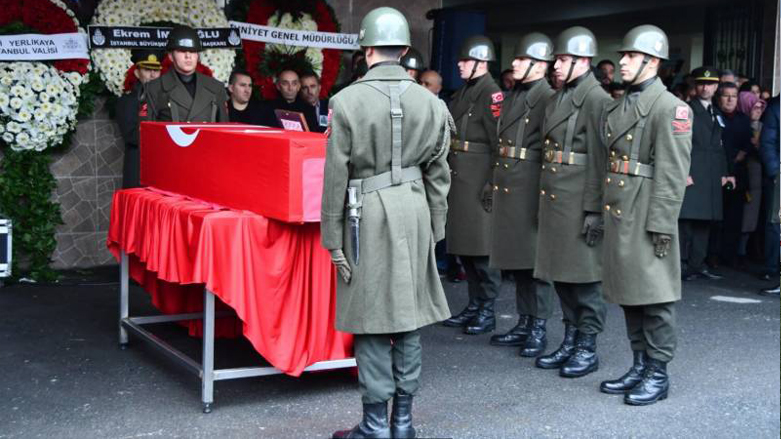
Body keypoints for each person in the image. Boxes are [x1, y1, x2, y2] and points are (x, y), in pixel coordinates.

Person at [321, 7, 453, 438]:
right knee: (408, 317)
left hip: (366, 213)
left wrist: (332, 237)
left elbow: (336, 177)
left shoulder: (347, 102)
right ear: (403, 49)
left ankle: (376, 424)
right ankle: (403, 422)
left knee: (371, 318)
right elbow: (440, 175)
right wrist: (435, 230)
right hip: (414, 212)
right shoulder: (431, 103)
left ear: (368, 49)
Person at [595, 25, 692, 405]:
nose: (621, 61)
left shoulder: (671, 108)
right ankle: (639, 362)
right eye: (623, 56)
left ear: (651, 62)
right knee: (629, 293)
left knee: (656, 298)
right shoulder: (622, 104)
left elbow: (671, 174)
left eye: (629, 56)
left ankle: (658, 371)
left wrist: (662, 225)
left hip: (647, 209)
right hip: (622, 207)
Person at [534, 26, 611, 379]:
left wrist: (595, 209)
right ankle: (570, 337)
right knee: (561, 275)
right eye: (557, 60)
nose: (556, 66)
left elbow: (600, 159)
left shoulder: (598, 101)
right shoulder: (558, 97)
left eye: (563, 60)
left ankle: (587, 345)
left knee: (585, 278)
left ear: (583, 61)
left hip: (580, 198)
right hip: (557, 197)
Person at [487, 32, 556, 357]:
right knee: (518, 261)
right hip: (512, 185)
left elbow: (550, 154)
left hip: (531, 186)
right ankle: (525, 320)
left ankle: (538, 326)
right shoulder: (515, 95)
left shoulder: (547, 98)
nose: (513, 63)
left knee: (535, 264)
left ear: (540, 65)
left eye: (521, 59)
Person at [441, 35, 503, 335]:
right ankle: (475, 304)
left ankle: (487, 308)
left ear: (481, 62)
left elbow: (498, 145)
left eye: (465, 61)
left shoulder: (492, 94)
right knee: (466, 248)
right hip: (461, 177)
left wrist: (492, 183)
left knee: (482, 251)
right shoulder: (465, 92)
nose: (460, 65)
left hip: (478, 180)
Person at [678, 67, 734, 281]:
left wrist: (724, 173)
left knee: (704, 222)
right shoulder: (686, 109)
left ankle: (697, 264)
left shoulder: (716, 112)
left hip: (710, 173)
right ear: (695, 85)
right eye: (701, 83)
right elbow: (680, 145)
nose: (705, 87)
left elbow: (719, 147)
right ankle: (682, 265)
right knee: (686, 221)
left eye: (710, 84)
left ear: (716, 86)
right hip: (693, 170)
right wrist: (684, 171)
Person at [144, 26, 228, 122]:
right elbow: (147, 132)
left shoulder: (215, 88)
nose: (188, 56)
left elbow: (224, 130)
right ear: (171, 56)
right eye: (182, 51)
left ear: (197, 56)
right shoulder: (154, 88)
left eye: (192, 51)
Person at [716, 82, 752, 266]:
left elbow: (749, 143)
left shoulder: (743, 119)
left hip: (737, 174)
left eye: (734, 96)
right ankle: (712, 256)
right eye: (726, 95)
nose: (730, 99)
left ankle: (729, 256)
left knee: (734, 218)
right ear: (719, 97)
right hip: (716, 174)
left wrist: (743, 152)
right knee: (715, 218)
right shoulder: (714, 116)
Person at [116, 50, 162, 188]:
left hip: (163, 165)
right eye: (147, 70)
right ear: (137, 73)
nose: (153, 75)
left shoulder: (167, 99)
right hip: (138, 167)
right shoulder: (128, 101)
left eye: (156, 70)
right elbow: (131, 136)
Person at [736, 91, 767, 266]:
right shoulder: (740, 125)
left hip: (757, 178)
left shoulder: (763, 127)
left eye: (760, 107)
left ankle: (747, 251)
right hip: (742, 175)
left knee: (753, 216)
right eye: (754, 107)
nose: (758, 110)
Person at [758, 95, 779, 296]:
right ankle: (774, 271)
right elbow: (768, 143)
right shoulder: (776, 109)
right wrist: (775, 173)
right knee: (777, 225)